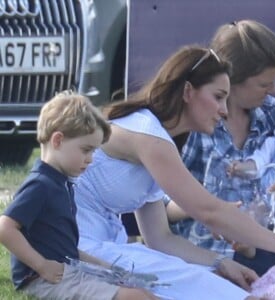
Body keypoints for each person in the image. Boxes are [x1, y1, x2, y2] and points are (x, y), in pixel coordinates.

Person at [74, 44, 275, 300]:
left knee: (220, 285)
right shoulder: (148, 135)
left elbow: (160, 238)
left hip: (107, 248)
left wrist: (218, 262)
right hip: (79, 251)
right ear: (188, 91)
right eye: (218, 96)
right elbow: (210, 212)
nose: (224, 110)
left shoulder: (159, 138)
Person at [0, 91, 157, 300]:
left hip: (68, 270)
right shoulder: (40, 184)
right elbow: (5, 228)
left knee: (143, 291)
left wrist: (105, 267)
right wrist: (41, 265)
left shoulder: (62, 184)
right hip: (41, 279)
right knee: (133, 297)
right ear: (57, 140)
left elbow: (64, 248)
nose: (90, 159)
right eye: (86, 150)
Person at [166, 19, 275, 275]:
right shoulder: (192, 124)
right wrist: (209, 204)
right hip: (203, 254)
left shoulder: (274, 113)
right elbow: (160, 209)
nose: (274, 90)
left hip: (266, 246)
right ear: (233, 79)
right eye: (264, 84)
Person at [230, 78, 275, 240]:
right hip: (269, 196)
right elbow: (258, 162)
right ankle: (248, 241)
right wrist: (242, 168)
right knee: (254, 206)